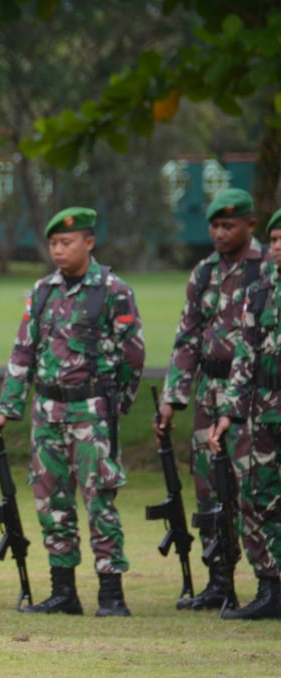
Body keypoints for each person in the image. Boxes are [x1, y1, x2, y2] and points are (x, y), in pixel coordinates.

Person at [0, 207, 145, 616]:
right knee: (51, 503)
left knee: (100, 502)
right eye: (53, 243)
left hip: (92, 412)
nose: (58, 250)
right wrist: (6, 410)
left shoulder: (113, 290)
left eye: (66, 242)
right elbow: (23, 352)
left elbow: (133, 354)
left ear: (89, 242)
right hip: (47, 413)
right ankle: (63, 593)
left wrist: (117, 403)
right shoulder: (42, 292)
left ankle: (111, 594)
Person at [156, 187, 264, 611]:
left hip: (252, 395)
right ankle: (219, 580)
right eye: (215, 226)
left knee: (253, 487)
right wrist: (172, 398)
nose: (220, 234)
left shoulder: (267, 271)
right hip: (208, 392)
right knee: (207, 488)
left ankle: (267, 584)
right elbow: (187, 338)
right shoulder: (202, 273)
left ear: (249, 225)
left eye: (229, 225)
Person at [207, 206, 281, 620]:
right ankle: (271, 589)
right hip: (265, 415)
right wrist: (229, 413)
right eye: (273, 240)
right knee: (260, 498)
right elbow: (244, 358)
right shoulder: (261, 292)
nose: (277, 247)